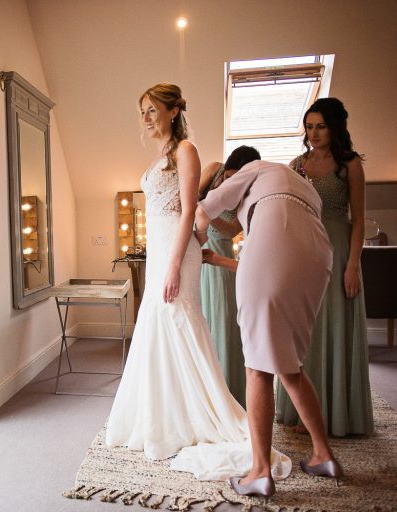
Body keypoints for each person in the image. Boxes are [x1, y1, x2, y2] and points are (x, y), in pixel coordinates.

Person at [105, 84, 289, 482]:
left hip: (177, 250)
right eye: (142, 111)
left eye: (152, 109)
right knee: (157, 322)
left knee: (177, 318)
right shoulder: (161, 156)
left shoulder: (186, 150)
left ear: (173, 111)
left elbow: (190, 210)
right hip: (160, 248)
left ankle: (199, 412)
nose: (146, 117)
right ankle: (162, 413)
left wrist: (173, 265)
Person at [196, 159, 342, 502]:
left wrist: (193, 241)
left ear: (236, 171)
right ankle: (324, 455)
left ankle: (259, 472)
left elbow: (206, 209)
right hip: (318, 254)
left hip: (275, 246)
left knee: (257, 366)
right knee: (290, 365)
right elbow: (270, 235)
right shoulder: (299, 186)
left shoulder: (254, 168)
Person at [275, 97, 374, 437]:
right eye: (309, 127)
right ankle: (302, 412)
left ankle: (338, 414)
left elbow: (359, 221)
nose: (313, 133)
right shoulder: (296, 165)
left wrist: (352, 267)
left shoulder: (350, 165)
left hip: (339, 249)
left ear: (334, 128)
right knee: (307, 330)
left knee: (333, 326)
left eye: (320, 126)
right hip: (304, 252)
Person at [198, 145, 261, 407]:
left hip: (218, 256)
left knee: (222, 321)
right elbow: (188, 196)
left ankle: (226, 394)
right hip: (193, 247)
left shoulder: (250, 194)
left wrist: (207, 212)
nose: (229, 183)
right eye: (228, 176)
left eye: (237, 179)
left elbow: (232, 231)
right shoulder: (213, 169)